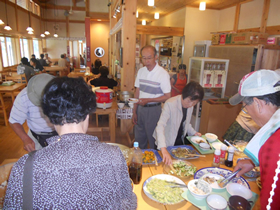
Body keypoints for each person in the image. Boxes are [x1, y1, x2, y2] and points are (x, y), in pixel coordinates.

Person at [4, 77, 137, 209]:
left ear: (50, 119)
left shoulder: (24, 166)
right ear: (88, 115)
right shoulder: (114, 156)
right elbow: (129, 204)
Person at [230, 70, 280, 209]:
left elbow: (270, 205)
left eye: (245, 106)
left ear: (258, 103)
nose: (247, 112)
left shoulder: (276, 145)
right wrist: (254, 162)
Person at [153, 81, 204, 165]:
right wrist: (163, 148)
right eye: (188, 101)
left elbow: (185, 123)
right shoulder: (170, 104)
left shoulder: (190, 106)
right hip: (165, 142)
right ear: (184, 94)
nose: (190, 104)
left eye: (194, 103)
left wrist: (194, 133)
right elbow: (160, 126)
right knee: (164, 167)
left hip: (177, 143)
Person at [133, 45, 171, 149]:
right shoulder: (141, 71)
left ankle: (155, 163)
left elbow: (167, 96)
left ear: (156, 57)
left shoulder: (163, 74)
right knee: (139, 139)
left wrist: (149, 100)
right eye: (144, 58)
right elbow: (137, 91)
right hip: (140, 109)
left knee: (153, 139)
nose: (146, 61)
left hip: (154, 110)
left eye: (149, 58)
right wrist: (134, 111)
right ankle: (140, 162)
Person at [8, 73, 57, 152]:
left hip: (60, 133)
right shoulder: (23, 96)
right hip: (36, 136)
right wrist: (25, 138)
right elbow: (14, 120)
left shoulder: (63, 93)